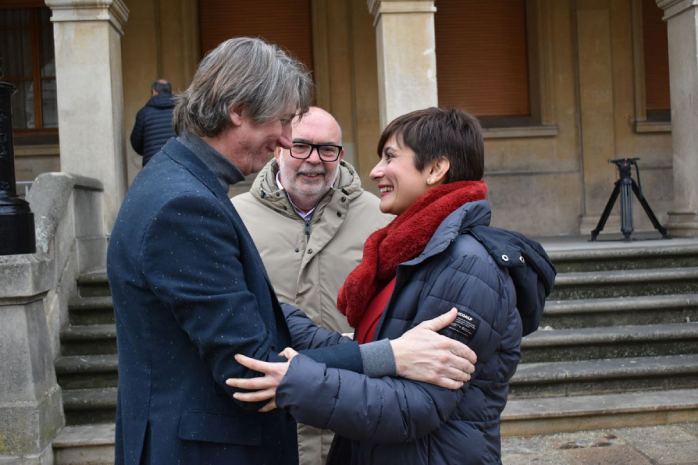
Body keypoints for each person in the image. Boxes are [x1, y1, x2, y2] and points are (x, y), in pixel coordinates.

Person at [107, 39, 478, 465]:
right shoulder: (184, 205)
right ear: (239, 111)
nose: (285, 138)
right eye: (282, 122)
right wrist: (388, 355)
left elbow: (256, 318)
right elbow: (252, 369)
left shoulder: (178, 182)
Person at [227, 107, 556, 464]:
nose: (374, 171)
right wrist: (261, 304)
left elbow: (416, 405)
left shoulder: (466, 265)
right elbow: (378, 352)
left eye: (390, 157)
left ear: (435, 169)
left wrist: (296, 383)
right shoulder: (417, 253)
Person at [233, 106, 392, 465]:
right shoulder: (233, 217)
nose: (314, 160)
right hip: (266, 415)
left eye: (327, 150)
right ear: (278, 148)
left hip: (355, 412)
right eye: (301, 147)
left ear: (340, 155)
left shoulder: (381, 218)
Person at [130, 79, 177, 166]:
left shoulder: (143, 113)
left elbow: (136, 143)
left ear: (154, 92)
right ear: (171, 92)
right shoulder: (180, 111)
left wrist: (148, 150)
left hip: (152, 164)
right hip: (176, 163)